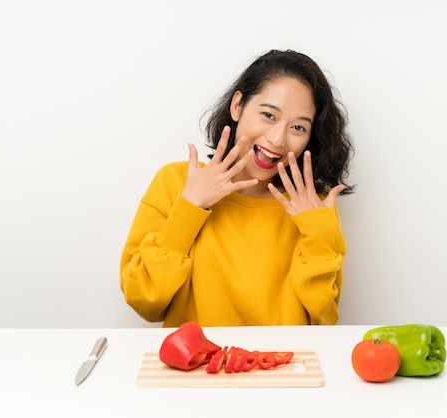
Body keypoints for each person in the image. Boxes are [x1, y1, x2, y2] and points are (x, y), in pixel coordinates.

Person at [120, 49, 354, 327]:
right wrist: (190, 208)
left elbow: (323, 318)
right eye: (268, 115)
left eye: (298, 128)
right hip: (196, 366)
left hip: (281, 366)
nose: (278, 139)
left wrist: (318, 232)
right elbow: (144, 302)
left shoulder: (314, 202)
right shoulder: (176, 182)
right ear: (238, 106)